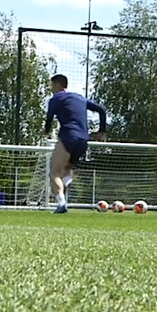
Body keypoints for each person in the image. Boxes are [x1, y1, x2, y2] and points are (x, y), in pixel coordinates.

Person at [43, 74, 107, 213]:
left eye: (52, 86)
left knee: (54, 173)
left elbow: (49, 118)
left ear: (58, 85)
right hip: (83, 140)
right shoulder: (80, 98)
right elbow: (102, 110)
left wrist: (46, 130)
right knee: (67, 169)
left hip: (68, 137)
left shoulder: (56, 98)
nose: (51, 89)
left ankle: (61, 204)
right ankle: (66, 182)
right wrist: (102, 131)